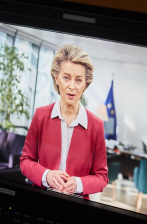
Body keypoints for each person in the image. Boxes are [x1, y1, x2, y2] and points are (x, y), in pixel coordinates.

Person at [20, 44, 108, 200]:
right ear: (57, 79)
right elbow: (26, 161)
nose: (72, 86)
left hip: (77, 207)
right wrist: (46, 175)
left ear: (85, 84)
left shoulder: (96, 125)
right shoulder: (41, 115)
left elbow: (101, 177)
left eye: (78, 80)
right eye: (66, 77)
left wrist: (78, 183)